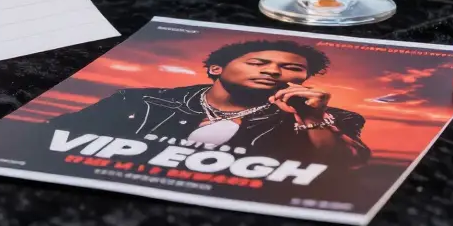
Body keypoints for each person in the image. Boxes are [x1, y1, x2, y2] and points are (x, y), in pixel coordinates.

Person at [49, 39, 371, 167]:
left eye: (291, 68)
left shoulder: (332, 117)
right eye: (257, 63)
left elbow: (347, 164)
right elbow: (53, 135)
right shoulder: (139, 100)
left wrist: (312, 118)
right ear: (216, 69)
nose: (273, 71)